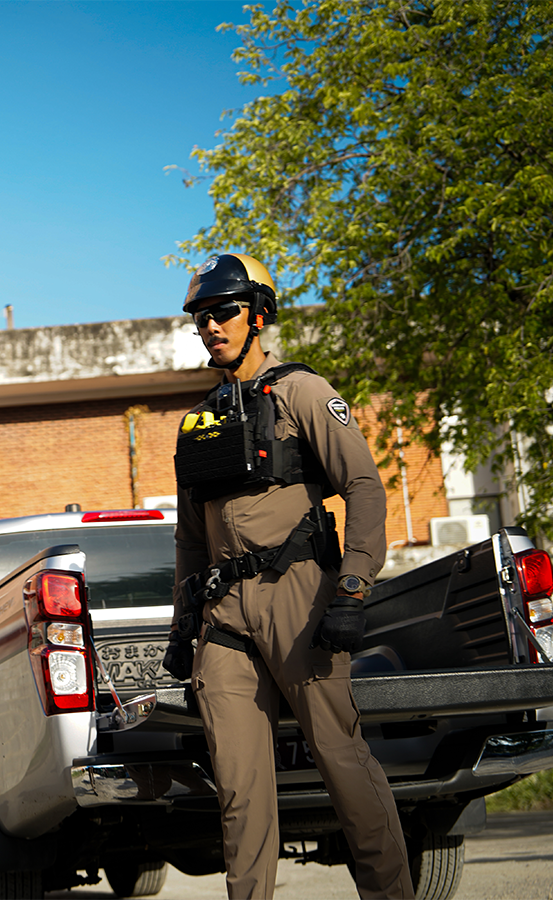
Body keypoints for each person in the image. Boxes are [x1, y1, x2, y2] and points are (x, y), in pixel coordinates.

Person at [164, 255, 414, 900]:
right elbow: (191, 538)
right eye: (201, 317)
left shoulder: (301, 391)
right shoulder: (200, 420)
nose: (210, 326)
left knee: (342, 762)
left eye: (223, 312)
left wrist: (355, 585)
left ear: (259, 314)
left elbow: (363, 487)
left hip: (299, 598)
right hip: (225, 616)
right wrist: (179, 626)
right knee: (240, 792)